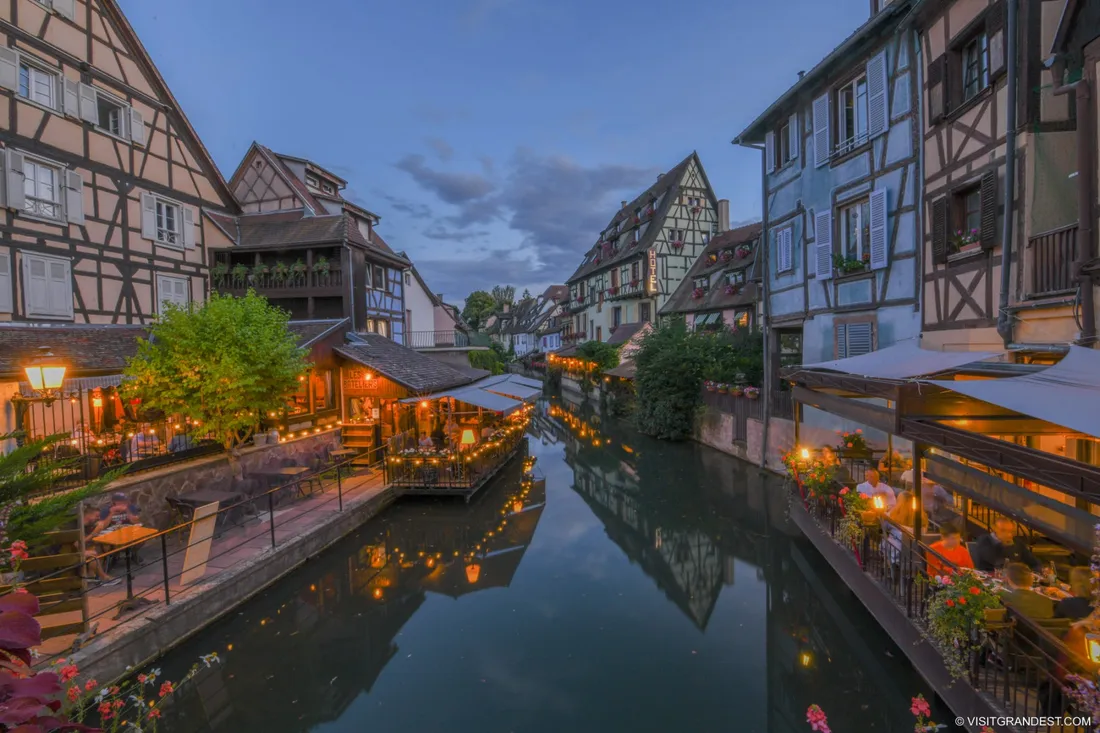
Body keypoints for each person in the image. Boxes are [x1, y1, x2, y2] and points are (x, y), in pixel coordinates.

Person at [971, 516, 1041, 573]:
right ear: (995, 528)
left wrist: (1038, 570)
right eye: (1003, 530)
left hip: (1017, 578)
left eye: (1010, 531)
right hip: (990, 578)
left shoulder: (1017, 542)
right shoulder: (984, 540)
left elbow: (1033, 562)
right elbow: (998, 563)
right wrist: (1004, 546)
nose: (1008, 534)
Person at [81, 506, 119, 586]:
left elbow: (103, 524)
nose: (98, 518)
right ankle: (104, 578)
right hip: (72, 551)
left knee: (99, 547)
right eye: (97, 516)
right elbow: (77, 544)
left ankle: (92, 575)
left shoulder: (89, 524)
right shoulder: (79, 525)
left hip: (84, 548)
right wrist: (93, 533)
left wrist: (111, 513)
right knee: (93, 553)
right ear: (88, 516)